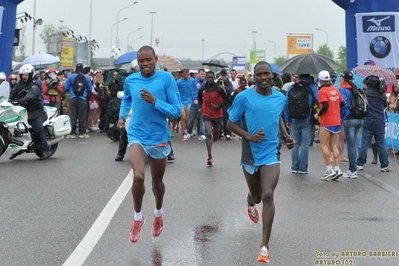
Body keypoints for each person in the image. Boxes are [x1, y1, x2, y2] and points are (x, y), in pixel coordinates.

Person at [227, 61, 295, 264]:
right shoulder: (244, 97)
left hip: (271, 152)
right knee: (257, 197)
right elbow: (230, 122)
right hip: (250, 152)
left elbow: (278, 118)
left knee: (268, 194)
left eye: (267, 74)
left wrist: (286, 136)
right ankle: (249, 199)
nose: (264, 77)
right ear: (254, 77)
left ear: (272, 76)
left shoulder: (280, 97)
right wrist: (249, 136)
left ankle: (264, 247)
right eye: (259, 74)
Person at [117, 45, 181, 243]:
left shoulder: (166, 79)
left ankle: (158, 214)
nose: (145, 64)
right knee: (138, 177)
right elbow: (127, 99)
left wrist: (155, 101)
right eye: (141, 61)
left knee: (157, 183)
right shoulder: (131, 80)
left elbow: (177, 111)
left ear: (155, 59)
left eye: (148, 60)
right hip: (137, 134)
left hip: (159, 137)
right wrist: (121, 117)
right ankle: (137, 219)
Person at [9, 64, 49, 160]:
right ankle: (17, 148)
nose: (24, 77)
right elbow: (13, 92)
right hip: (24, 109)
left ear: (31, 75)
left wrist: (26, 98)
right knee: (16, 127)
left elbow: (33, 93)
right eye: (23, 75)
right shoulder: (19, 84)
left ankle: (45, 150)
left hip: (35, 110)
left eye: (26, 75)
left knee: (38, 128)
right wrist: (9, 98)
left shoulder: (35, 84)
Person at [356, 75, 392, 172]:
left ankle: (360, 164)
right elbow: (385, 106)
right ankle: (384, 165)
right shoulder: (382, 95)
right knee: (381, 144)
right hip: (380, 121)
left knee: (364, 144)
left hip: (368, 121)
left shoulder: (365, 93)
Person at [314, 70, 345, 180]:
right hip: (337, 120)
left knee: (323, 145)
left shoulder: (322, 91)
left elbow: (325, 106)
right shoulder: (335, 90)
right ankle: (337, 169)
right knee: (333, 144)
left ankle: (329, 170)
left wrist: (318, 114)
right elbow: (342, 103)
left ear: (321, 80)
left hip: (327, 121)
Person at [284, 74, 318, 174]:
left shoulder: (291, 87)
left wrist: (287, 119)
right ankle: (303, 168)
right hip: (307, 119)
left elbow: (286, 104)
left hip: (294, 119)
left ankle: (294, 166)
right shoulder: (311, 88)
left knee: (295, 143)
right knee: (305, 144)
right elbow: (319, 100)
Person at [198, 70, 230, 166]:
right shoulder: (202, 89)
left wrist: (219, 106)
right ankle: (209, 157)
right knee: (208, 133)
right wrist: (201, 107)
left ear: (214, 77)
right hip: (207, 113)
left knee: (215, 137)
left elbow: (227, 99)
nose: (210, 79)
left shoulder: (219, 88)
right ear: (206, 78)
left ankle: (214, 138)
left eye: (212, 77)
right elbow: (199, 98)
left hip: (218, 114)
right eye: (208, 77)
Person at [338, 71, 364, 179]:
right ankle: (352, 168)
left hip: (349, 119)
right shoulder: (356, 88)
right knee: (354, 143)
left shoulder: (342, 89)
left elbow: (343, 105)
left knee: (351, 145)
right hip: (360, 118)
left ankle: (352, 170)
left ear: (343, 79)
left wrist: (341, 118)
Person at [64, 63, 93, 139]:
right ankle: (82, 132)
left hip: (73, 98)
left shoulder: (71, 76)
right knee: (82, 115)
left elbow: (66, 87)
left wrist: (71, 91)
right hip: (82, 98)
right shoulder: (86, 77)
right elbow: (90, 88)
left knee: (73, 115)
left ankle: (72, 132)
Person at [186, 68, 206, 140]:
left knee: (201, 118)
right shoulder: (194, 81)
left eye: (204, 74)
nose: (203, 75)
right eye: (201, 74)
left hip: (203, 103)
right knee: (192, 118)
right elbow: (192, 91)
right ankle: (189, 132)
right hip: (195, 103)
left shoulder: (206, 82)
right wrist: (195, 99)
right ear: (198, 74)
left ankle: (202, 133)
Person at [176, 68, 196, 141]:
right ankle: (184, 133)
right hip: (181, 101)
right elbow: (176, 91)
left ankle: (186, 131)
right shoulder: (179, 82)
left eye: (187, 74)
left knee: (187, 119)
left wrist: (194, 98)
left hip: (189, 101)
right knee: (183, 117)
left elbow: (195, 89)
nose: (186, 76)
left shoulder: (192, 80)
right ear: (182, 75)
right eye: (185, 75)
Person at [218, 68, 233, 140]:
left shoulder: (229, 83)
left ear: (226, 76)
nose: (223, 77)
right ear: (220, 75)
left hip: (227, 102)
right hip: (219, 102)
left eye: (224, 76)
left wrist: (224, 87)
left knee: (226, 118)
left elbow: (230, 91)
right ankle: (219, 132)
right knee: (219, 118)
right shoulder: (218, 82)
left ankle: (227, 133)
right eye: (222, 75)